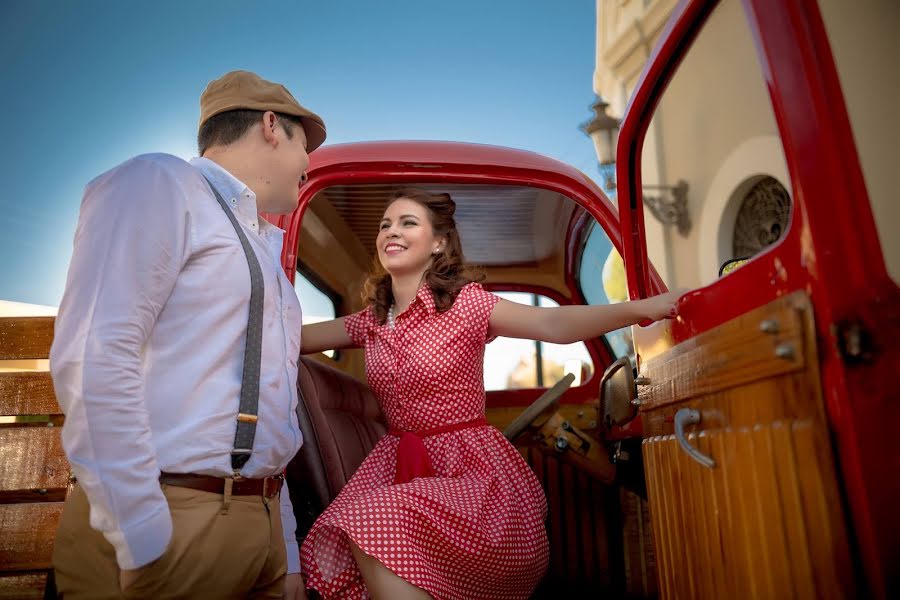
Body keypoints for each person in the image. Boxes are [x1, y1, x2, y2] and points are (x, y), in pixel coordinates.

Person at [297, 188, 683, 599]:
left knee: (372, 518)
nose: (392, 231)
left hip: (470, 470)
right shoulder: (371, 322)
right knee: (357, 525)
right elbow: (292, 339)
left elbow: (553, 325)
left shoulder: (466, 305)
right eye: (385, 225)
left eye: (408, 223)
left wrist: (643, 309)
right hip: (397, 464)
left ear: (439, 242)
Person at [49, 70, 324, 599]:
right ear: (271, 125)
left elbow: (273, 406)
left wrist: (283, 545)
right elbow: (95, 353)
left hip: (258, 527)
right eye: (304, 142)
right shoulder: (159, 181)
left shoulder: (261, 242)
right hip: (172, 519)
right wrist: (141, 533)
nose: (308, 161)